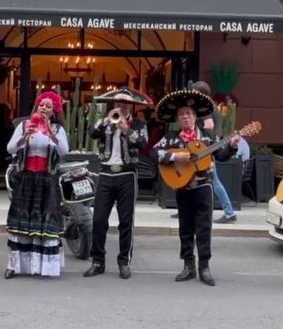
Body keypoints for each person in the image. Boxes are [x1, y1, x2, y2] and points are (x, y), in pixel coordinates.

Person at [152, 90, 239, 286]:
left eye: (189, 114)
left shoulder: (208, 136)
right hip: (182, 187)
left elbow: (222, 155)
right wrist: (174, 157)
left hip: (203, 187)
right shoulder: (172, 137)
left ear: (195, 117)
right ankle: (188, 266)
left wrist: (232, 145)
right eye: (182, 114)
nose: (185, 117)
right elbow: (154, 152)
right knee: (185, 228)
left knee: (204, 228)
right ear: (177, 118)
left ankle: (204, 267)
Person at [82, 87, 151, 279]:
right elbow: (92, 134)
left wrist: (126, 129)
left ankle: (123, 262)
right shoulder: (105, 121)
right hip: (105, 173)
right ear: (114, 105)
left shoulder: (138, 123)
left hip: (127, 174)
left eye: (126, 103)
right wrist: (107, 123)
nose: (122, 106)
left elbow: (144, 144)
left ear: (131, 106)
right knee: (99, 220)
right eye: (119, 103)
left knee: (126, 221)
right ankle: (98, 261)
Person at [4, 90, 69, 279]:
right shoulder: (25, 125)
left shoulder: (57, 129)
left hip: (47, 180)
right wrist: (24, 136)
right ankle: (14, 265)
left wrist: (51, 134)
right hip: (26, 178)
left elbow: (64, 151)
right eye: (41, 104)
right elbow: (10, 148)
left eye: (48, 106)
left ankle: (45, 267)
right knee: (21, 223)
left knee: (45, 222)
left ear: (54, 111)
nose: (43, 108)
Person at [172, 81, 237, 224]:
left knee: (215, 181)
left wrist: (201, 144)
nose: (193, 94)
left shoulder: (206, 108)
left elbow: (209, 126)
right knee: (197, 178)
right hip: (204, 148)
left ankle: (229, 212)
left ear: (201, 93)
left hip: (205, 150)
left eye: (195, 92)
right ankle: (183, 208)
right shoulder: (208, 106)